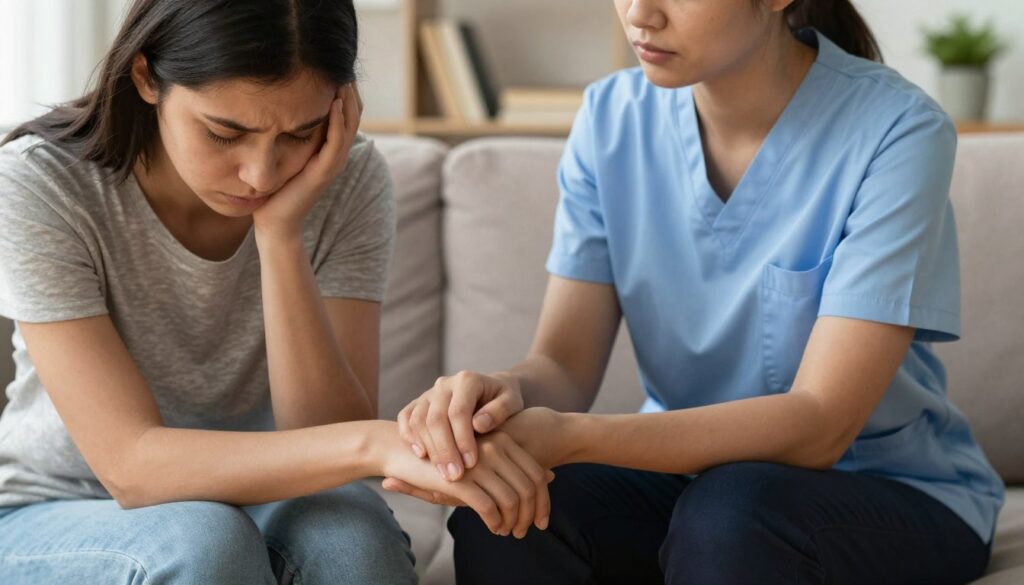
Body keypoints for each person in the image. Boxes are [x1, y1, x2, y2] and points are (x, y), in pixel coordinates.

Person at [389, 0, 1006, 583]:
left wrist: (575, 435)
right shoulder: (610, 119)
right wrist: (504, 396)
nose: (639, 14)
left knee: (731, 515)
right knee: (507, 510)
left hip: (888, 490)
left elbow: (822, 423)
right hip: (691, 477)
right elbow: (564, 365)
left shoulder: (899, 131)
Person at [0, 0, 553, 583]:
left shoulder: (349, 180)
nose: (261, 175)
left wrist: (282, 236)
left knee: (355, 540)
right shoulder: (40, 184)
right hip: (64, 505)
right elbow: (131, 465)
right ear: (146, 77)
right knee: (206, 542)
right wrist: (373, 441)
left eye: (301, 132)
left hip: (272, 498)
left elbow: (322, 440)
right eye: (224, 133)